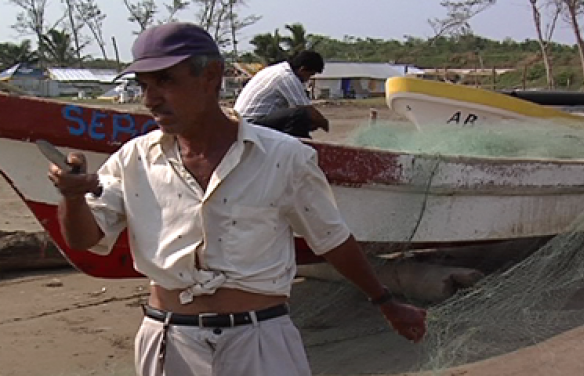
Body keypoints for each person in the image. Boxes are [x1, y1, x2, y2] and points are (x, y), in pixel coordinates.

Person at [48, 22, 426, 376]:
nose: (151, 99)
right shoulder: (133, 159)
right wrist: (72, 195)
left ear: (211, 76)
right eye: (144, 85)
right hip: (169, 341)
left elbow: (331, 239)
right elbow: (85, 239)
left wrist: (384, 302)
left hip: (260, 341)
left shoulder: (284, 156)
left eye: (165, 81)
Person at [234, 50, 329, 138]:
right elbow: (308, 110)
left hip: (245, 120)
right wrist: (325, 124)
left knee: (303, 119)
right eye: (310, 75)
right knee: (301, 113)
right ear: (302, 69)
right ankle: (297, 149)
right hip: (250, 122)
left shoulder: (277, 69)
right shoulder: (287, 77)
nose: (308, 79)